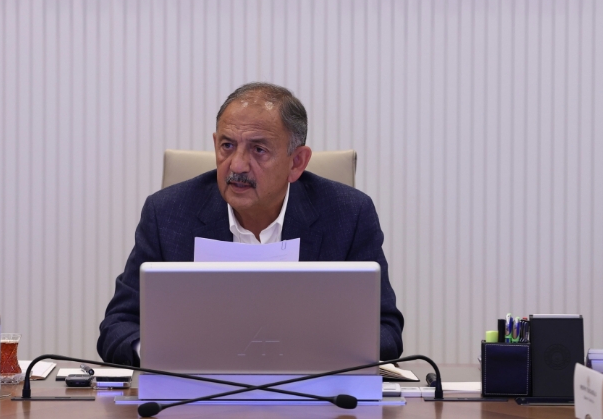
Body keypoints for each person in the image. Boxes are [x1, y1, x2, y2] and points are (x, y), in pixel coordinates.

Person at [97, 82, 404, 366]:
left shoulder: (348, 215)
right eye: (227, 146)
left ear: (297, 162)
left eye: (259, 150)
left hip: (310, 393)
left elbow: (386, 329)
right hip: (197, 392)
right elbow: (118, 326)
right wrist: (162, 354)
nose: (238, 165)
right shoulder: (167, 214)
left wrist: (318, 354)